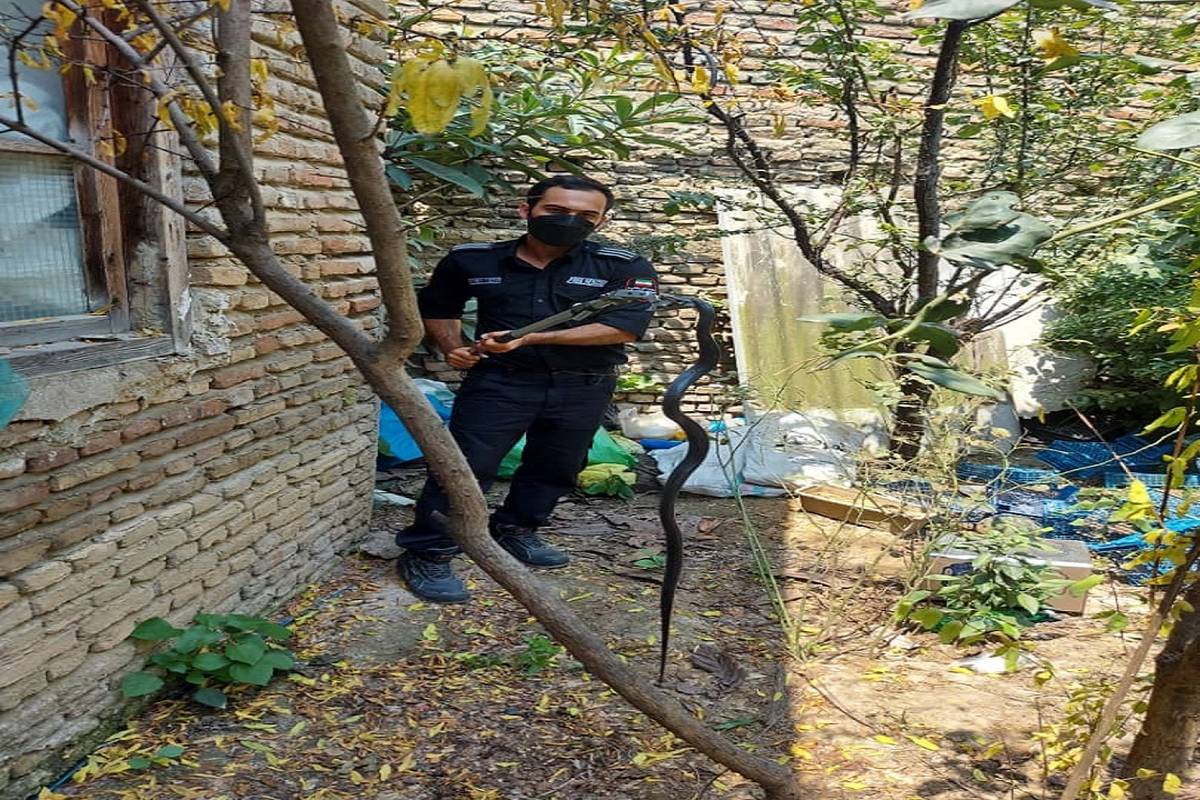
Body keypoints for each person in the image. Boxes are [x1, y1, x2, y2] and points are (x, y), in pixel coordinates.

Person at [396, 175, 658, 603]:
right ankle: (429, 550)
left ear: (602, 221)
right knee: (464, 467)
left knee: (557, 466)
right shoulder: (473, 259)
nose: (569, 220)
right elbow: (439, 306)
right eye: (556, 210)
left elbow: (624, 327)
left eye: (585, 215)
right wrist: (452, 347)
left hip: (584, 385)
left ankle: (516, 528)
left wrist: (534, 337)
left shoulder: (621, 265)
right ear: (526, 209)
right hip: (500, 382)